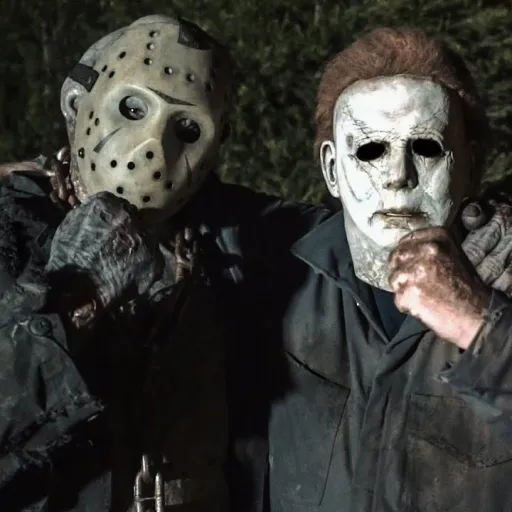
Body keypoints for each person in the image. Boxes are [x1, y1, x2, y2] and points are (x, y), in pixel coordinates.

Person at [0, 21, 511, 512]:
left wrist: (482, 317)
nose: (152, 147)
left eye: (188, 129)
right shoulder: (16, 230)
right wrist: (74, 299)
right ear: (76, 102)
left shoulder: (252, 245)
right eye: (132, 108)